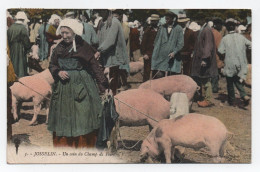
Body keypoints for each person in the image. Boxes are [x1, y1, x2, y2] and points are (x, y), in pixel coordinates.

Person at [47, 18, 109, 148]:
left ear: (74, 32)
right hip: (63, 88)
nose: (64, 36)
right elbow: (52, 64)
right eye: (62, 33)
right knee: (65, 116)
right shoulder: (60, 47)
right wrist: (58, 72)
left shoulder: (83, 46)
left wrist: (103, 85)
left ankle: (83, 145)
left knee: (82, 115)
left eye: (67, 33)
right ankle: (66, 146)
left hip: (82, 86)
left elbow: (95, 67)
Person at [218, 21, 251, 107]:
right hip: (241, 62)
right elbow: (251, 45)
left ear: (227, 28)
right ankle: (244, 95)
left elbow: (220, 50)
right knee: (237, 79)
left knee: (230, 82)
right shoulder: (241, 37)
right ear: (235, 28)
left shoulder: (225, 38)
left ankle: (231, 101)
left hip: (230, 62)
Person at [96, 9, 129, 95]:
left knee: (112, 84)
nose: (100, 12)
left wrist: (99, 50)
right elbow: (98, 38)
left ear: (107, 11)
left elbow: (110, 40)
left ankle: (113, 104)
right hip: (104, 57)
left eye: (102, 10)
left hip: (113, 57)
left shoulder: (114, 22)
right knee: (105, 84)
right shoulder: (101, 22)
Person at [191, 19, 218, 107]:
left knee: (206, 79)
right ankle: (201, 97)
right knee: (200, 78)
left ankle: (208, 100)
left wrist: (205, 59)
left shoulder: (206, 30)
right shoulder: (203, 29)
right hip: (200, 58)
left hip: (204, 59)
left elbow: (208, 45)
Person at [151, 11, 184, 79]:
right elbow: (156, 41)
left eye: (168, 19)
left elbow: (180, 44)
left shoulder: (178, 29)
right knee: (159, 75)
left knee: (171, 77)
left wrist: (174, 52)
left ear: (173, 19)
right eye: (166, 19)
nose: (166, 20)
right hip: (161, 57)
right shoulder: (162, 28)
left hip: (173, 58)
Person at [7, 11, 31, 77]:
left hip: (12, 47)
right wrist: (28, 49)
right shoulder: (23, 28)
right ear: (23, 19)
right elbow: (26, 41)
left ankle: (13, 76)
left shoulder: (11, 27)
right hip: (20, 48)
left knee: (13, 62)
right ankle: (20, 76)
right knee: (20, 64)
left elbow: (8, 39)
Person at [112, 9, 131, 91]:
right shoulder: (112, 25)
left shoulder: (125, 26)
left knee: (122, 69)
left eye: (116, 16)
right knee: (115, 69)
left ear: (120, 16)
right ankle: (116, 85)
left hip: (122, 51)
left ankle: (124, 84)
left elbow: (124, 37)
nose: (114, 18)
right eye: (113, 17)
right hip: (114, 52)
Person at [140, 14, 160, 82]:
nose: (153, 22)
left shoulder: (160, 30)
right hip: (148, 54)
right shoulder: (148, 30)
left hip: (157, 54)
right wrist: (144, 53)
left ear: (158, 21)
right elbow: (143, 43)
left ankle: (154, 87)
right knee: (147, 71)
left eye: (155, 21)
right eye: (152, 21)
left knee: (156, 72)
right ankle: (145, 86)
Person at [211, 18, 224, 93]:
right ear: (217, 25)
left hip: (208, 56)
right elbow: (219, 48)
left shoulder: (209, 31)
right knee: (215, 74)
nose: (222, 27)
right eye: (221, 25)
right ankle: (214, 88)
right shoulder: (217, 34)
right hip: (215, 57)